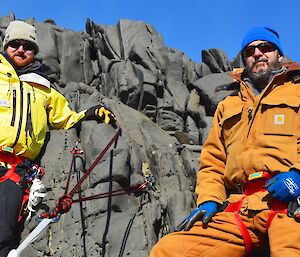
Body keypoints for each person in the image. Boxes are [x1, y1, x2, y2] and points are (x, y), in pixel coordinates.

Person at [149, 27, 300, 257]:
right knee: (168, 251)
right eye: (250, 50)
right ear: (244, 59)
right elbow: (213, 162)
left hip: (290, 206)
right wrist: (209, 200)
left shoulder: (297, 92)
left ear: (279, 55)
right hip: (241, 210)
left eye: (266, 48)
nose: (258, 53)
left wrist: (298, 176)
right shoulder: (228, 105)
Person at [0, 20, 116, 257]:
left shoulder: (44, 88)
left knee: (4, 236)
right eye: (15, 44)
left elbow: (64, 118)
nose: (21, 49)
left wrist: (89, 113)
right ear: (6, 46)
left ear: (34, 52)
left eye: (27, 46)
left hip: (16, 172)